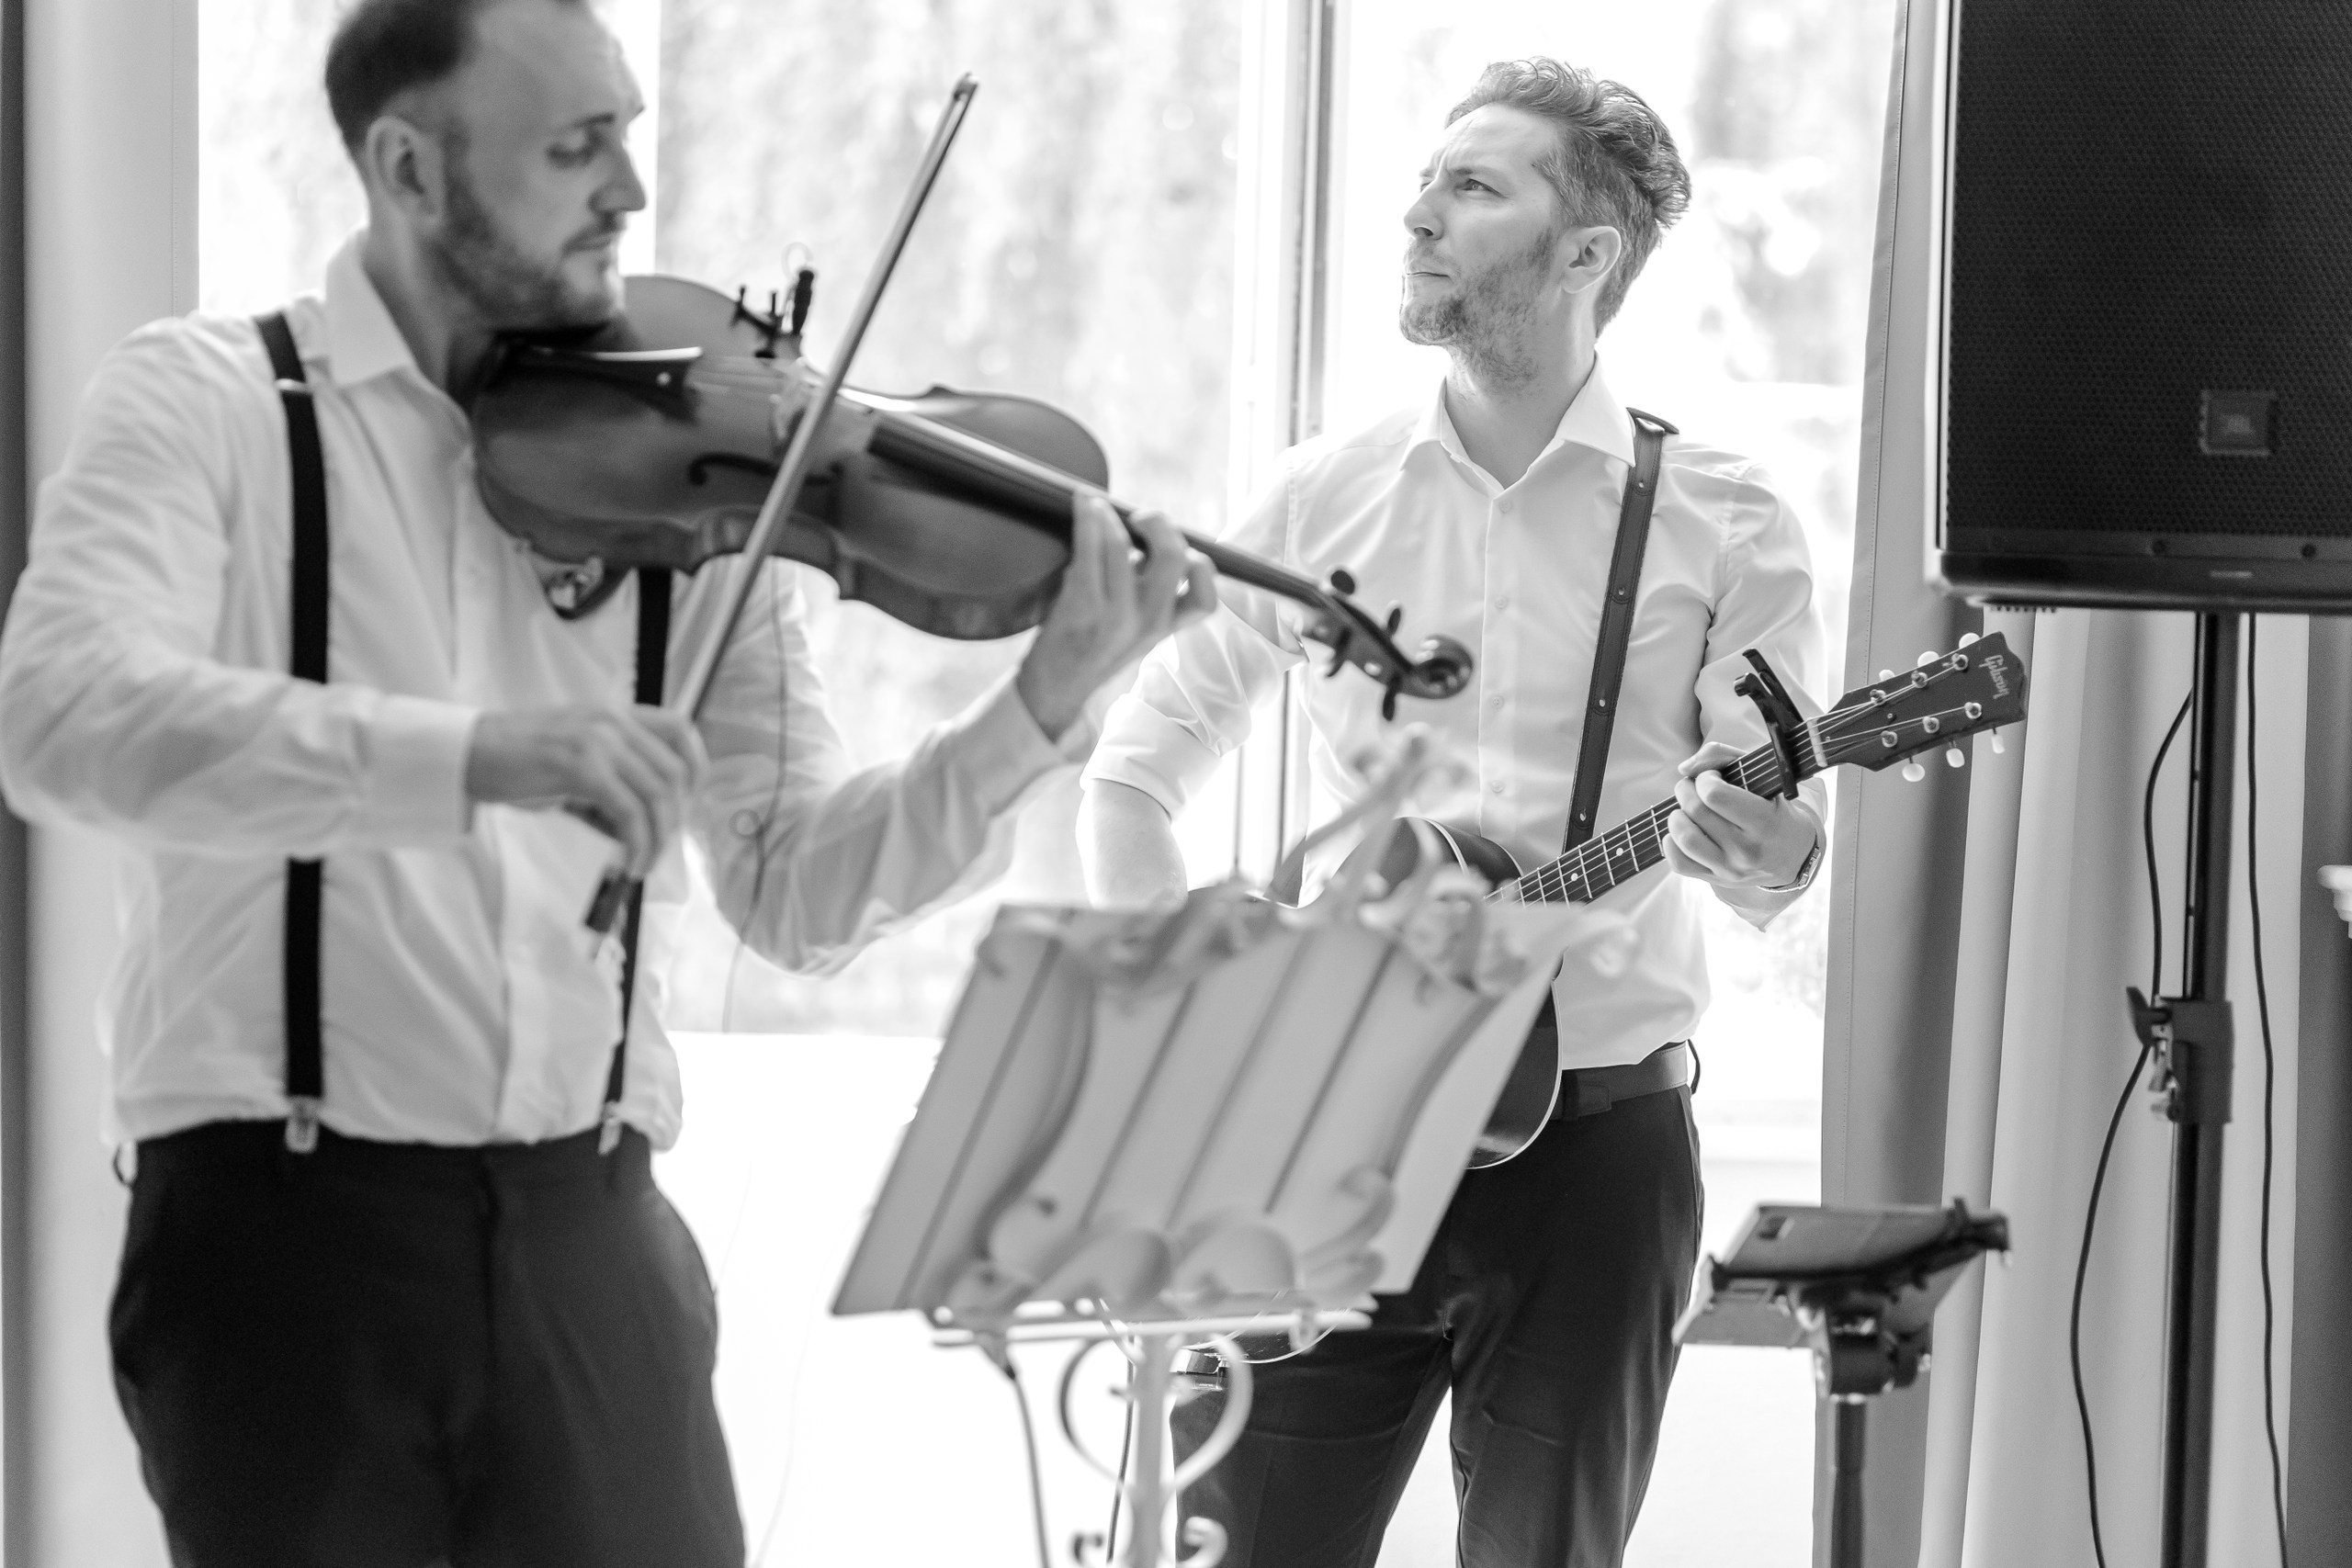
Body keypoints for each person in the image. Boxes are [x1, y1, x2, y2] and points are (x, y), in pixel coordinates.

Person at [0, 1, 1214, 1564]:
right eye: (576, 148)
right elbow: (68, 721)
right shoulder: (209, 409)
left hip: (597, 1240)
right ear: (411, 168)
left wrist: (1041, 704)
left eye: (628, 134)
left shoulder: (697, 464)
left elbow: (797, 889)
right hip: (287, 1252)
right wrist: (489, 756)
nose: (630, 192)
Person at [1080, 57, 1826, 1568]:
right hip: (1323, 1137)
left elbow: (1777, 851)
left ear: (1584, 254)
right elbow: (1133, 771)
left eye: (1474, 186)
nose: (1417, 214)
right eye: (1426, 179)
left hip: (1596, 1161)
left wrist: (1770, 848)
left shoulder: (1726, 518)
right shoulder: (1316, 499)